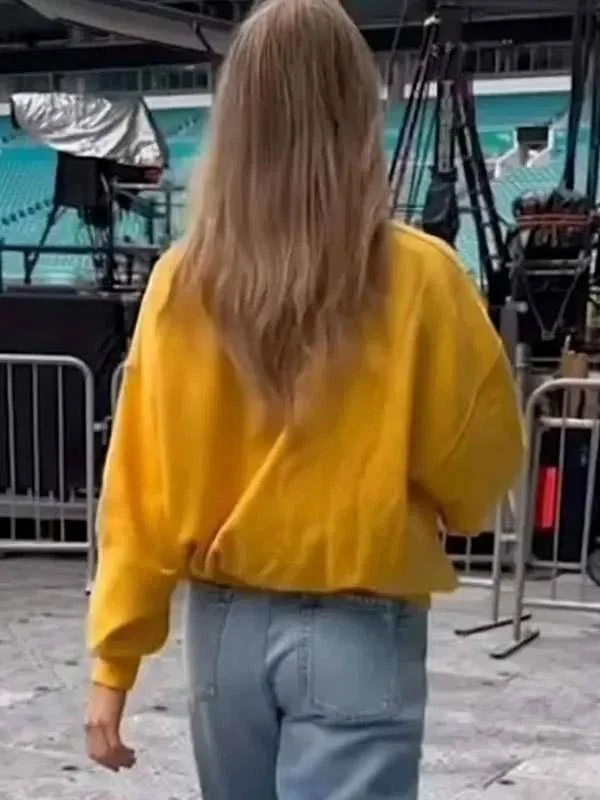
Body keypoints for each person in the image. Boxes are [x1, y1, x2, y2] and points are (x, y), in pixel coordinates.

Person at [84, 1, 524, 797]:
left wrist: (114, 664)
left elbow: (139, 495)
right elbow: (480, 464)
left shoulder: (180, 284)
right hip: (361, 627)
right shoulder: (424, 279)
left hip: (224, 633)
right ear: (356, 111)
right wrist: (447, 506)